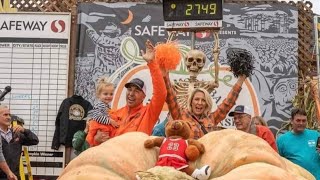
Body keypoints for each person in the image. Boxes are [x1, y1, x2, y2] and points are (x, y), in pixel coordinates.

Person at [164, 71, 247, 139]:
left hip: (207, 157)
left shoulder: (212, 118)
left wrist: (241, 80)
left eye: (203, 100)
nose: (199, 103)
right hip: (188, 157)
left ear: (207, 104)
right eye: (196, 99)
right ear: (191, 102)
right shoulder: (181, 115)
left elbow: (228, 103)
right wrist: (165, 75)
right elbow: (171, 98)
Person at [110, 40, 167, 136]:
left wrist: (151, 63)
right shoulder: (115, 114)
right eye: (129, 89)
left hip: (136, 151)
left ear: (144, 96)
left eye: (136, 91)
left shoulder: (148, 113)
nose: (131, 93)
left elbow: (161, 94)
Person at [276, 108, 320, 179]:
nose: (301, 123)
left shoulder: (316, 135)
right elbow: (279, 163)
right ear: (291, 121)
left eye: (304, 121)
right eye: (298, 120)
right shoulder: (282, 140)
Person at [0, 105, 39, 179]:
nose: (8, 117)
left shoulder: (16, 134)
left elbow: (35, 140)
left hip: (14, 176)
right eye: (5, 115)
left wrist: (25, 131)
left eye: (9, 115)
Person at [86, 77, 119, 146]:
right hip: (98, 127)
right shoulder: (100, 104)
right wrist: (110, 121)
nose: (108, 96)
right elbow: (97, 117)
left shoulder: (106, 105)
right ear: (98, 95)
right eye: (105, 94)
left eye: (111, 94)